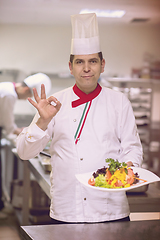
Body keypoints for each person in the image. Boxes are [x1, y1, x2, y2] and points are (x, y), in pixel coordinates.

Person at [16, 13, 143, 223]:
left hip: (111, 208)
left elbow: (133, 147)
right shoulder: (54, 102)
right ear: (70, 67)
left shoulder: (119, 102)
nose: (86, 68)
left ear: (102, 65)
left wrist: (125, 171)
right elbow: (24, 152)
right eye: (80, 62)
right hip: (67, 210)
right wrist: (42, 121)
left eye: (93, 61)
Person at [0, 72, 51, 219]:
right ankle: (1, 208)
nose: (25, 100)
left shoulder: (7, 88)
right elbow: (9, 126)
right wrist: (25, 131)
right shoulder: (9, 94)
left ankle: (2, 206)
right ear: (26, 90)